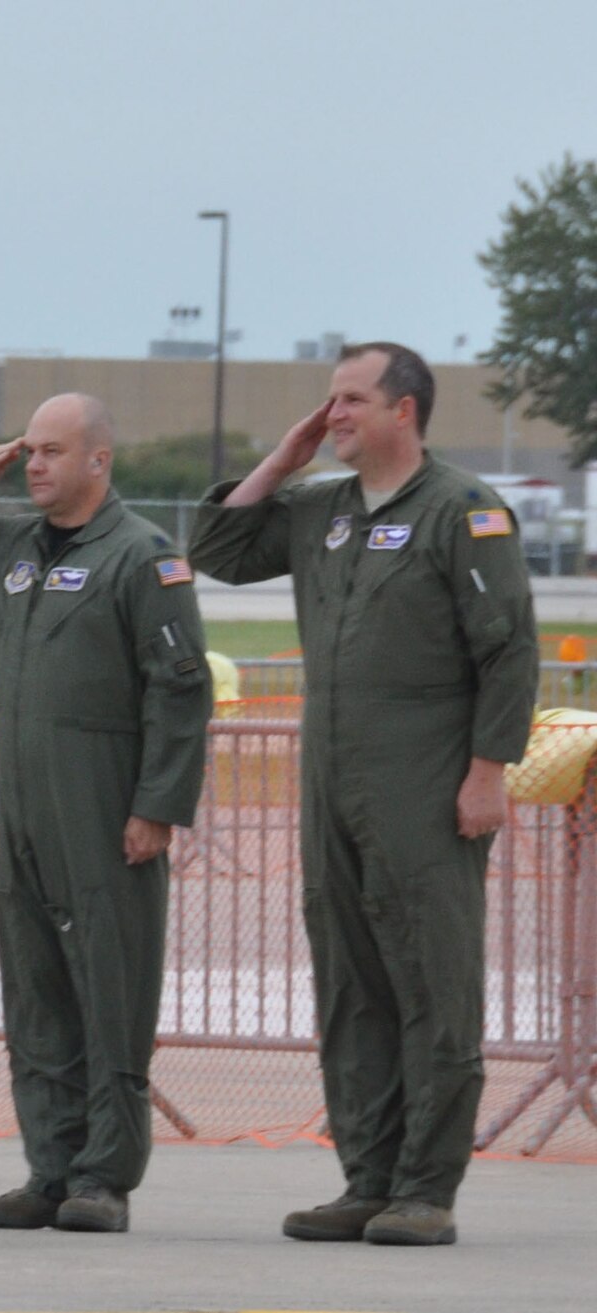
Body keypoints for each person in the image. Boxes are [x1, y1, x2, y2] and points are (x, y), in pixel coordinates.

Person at [190, 342, 538, 1247]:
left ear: (404, 410)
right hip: (333, 780)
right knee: (350, 981)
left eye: (350, 400)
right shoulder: (324, 510)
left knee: (432, 980)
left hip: (423, 780)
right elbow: (218, 547)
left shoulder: (463, 511)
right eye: (329, 399)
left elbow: (508, 650)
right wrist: (283, 459)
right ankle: (367, 1177)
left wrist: (488, 770)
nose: (334, 413)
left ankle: (426, 1187)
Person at [0, 393, 211, 1234]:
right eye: (28, 450)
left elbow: (181, 689)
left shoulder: (142, 556)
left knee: (110, 987)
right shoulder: (6, 543)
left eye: (53, 451)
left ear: (99, 461)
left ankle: (103, 1175)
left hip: (105, 799)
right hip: (26, 802)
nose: (34, 464)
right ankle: (48, 1166)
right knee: (35, 989)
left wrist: (158, 804)